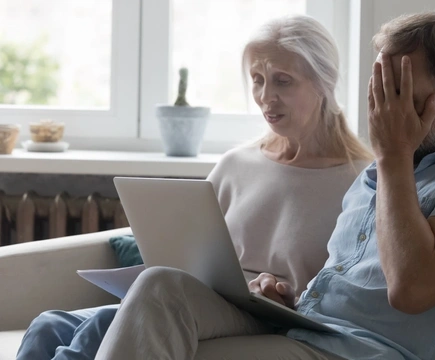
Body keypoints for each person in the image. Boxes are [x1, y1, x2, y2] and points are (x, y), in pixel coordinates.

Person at [94, 11, 435, 360]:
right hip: (304, 330)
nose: (386, 112)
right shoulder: (379, 176)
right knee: (160, 286)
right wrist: (285, 297)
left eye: (404, 96)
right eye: (379, 93)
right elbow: (342, 287)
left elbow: (411, 289)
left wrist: (393, 157)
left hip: (369, 354)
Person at [15, 14, 372, 360]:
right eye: (257, 79)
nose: (265, 96)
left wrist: (285, 294)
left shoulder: (360, 181)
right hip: (201, 299)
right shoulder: (237, 163)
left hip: (267, 317)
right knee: (47, 325)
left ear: (325, 81)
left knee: (101, 325)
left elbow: (352, 290)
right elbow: (190, 251)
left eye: (282, 80)